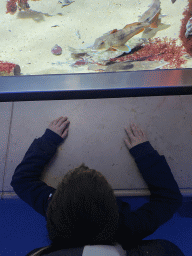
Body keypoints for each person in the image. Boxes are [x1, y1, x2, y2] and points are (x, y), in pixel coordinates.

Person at [10, 116, 184, 256]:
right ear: (116, 211)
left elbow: (21, 180)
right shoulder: (131, 228)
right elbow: (170, 199)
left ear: (53, 208)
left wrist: (48, 140)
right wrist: (144, 153)